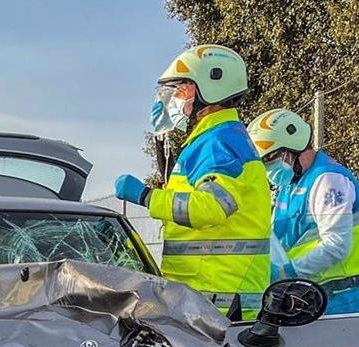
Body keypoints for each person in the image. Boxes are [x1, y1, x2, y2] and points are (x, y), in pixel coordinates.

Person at [112, 45, 273, 318]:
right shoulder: (214, 140)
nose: (174, 98)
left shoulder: (218, 143)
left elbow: (210, 207)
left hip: (218, 300)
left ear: (210, 88)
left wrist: (146, 196)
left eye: (181, 89)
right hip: (209, 295)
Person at [248, 108, 359, 314]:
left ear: (289, 151)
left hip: (346, 298)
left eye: (269, 161)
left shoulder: (328, 181)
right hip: (313, 296)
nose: (267, 171)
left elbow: (336, 246)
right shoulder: (288, 186)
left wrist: (286, 272)